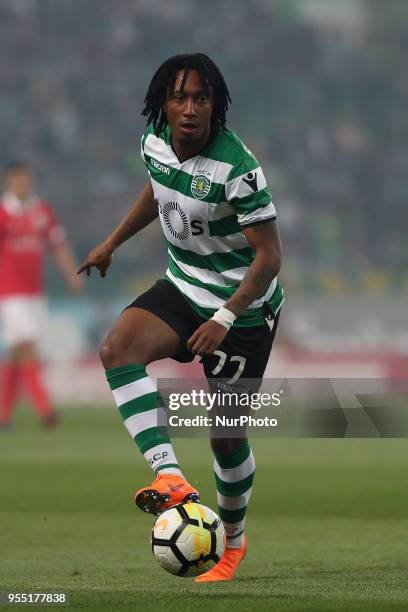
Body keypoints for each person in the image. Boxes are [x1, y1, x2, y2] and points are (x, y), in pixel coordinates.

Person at [78, 53, 283, 582]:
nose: (189, 109)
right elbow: (157, 188)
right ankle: (171, 480)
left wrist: (225, 316)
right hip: (182, 285)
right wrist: (112, 242)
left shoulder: (238, 168)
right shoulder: (154, 141)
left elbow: (269, 257)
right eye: (179, 97)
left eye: (201, 98)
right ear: (163, 103)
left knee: (225, 437)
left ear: (216, 105)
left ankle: (231, 545)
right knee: (116, 350)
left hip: (244, 307)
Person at [0, 162, 83, 428]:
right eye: (17, 179)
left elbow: (57, 245)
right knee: (28, 346)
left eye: (26, 178)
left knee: (17, 351)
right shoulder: (3, 212)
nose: (22, 183)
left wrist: (72, 273)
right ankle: (45, 409)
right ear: (8, 182)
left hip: (35, 291)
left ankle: (3, 414)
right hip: (9, 291)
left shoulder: (42, 211)